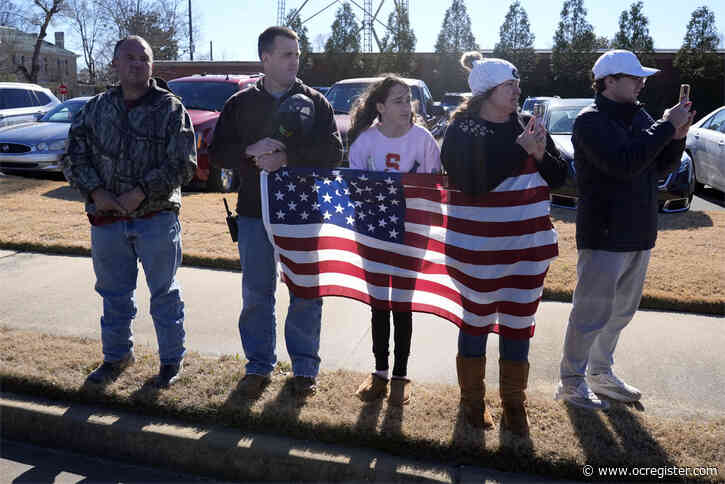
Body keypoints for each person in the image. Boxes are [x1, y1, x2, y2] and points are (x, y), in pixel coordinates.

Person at [555, 50, 694, 410]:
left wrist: (676, 135)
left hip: (639, 229)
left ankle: (601, 373)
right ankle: (571, 382)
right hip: (604, 231)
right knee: (591, 313)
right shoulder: (590, 120)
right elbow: (623, 163)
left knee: (621, 312)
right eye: (634, 78)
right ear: (609, 82)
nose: (641, 83)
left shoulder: (639, 115)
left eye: (641, 78)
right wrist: (665, 127)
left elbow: (659, 167)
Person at [209, 26, 343, 398]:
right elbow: (218, 152)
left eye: (297, 54)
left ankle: (304, 369)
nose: (294, 61)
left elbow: (333, 154)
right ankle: (258, 365)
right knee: (256, 293)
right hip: (254, 213)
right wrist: (250, 150)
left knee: (305, 292)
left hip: (303, 214)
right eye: (286, 54)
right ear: (264, 58)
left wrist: (289, 158)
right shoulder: (240, 104)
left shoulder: (316, 102)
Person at [441, 52, 568, 437]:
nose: (517, 91)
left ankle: (514, 402)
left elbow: (562, 178)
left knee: (517, 323)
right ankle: (472, 402)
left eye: (517, 84)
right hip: (476, 250)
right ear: (486, 91)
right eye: (508, 85)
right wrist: (521, 149)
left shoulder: (528, 126)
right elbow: (472, 184)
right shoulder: (462, 130)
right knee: (477, 322)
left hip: (528, 248)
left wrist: (540, 152)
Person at [63, 36, 197, 388]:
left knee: (165, 293)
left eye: (144, 58)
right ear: (115, 64)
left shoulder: (170, 109)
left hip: (156, 219)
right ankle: (116, 356)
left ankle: (171, 360)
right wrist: (96, 191)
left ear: (152, 65)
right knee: (113, 294)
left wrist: (142, 192)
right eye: (130, 58)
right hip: (108, 221)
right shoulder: (94, 109)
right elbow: (73, 155)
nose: (137, 64)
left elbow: (183, 164)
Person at [347, 75, 442, 406]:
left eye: (409, 100)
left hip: (411, 235)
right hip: (373, 234)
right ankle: (380, 372)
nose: (407, 106)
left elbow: (433, 193)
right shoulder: (364, 143)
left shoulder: (424, 141)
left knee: (402, 303)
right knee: (379, 303)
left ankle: (401, 375)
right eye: (399, 100)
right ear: (381, 107)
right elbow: (354, 190)